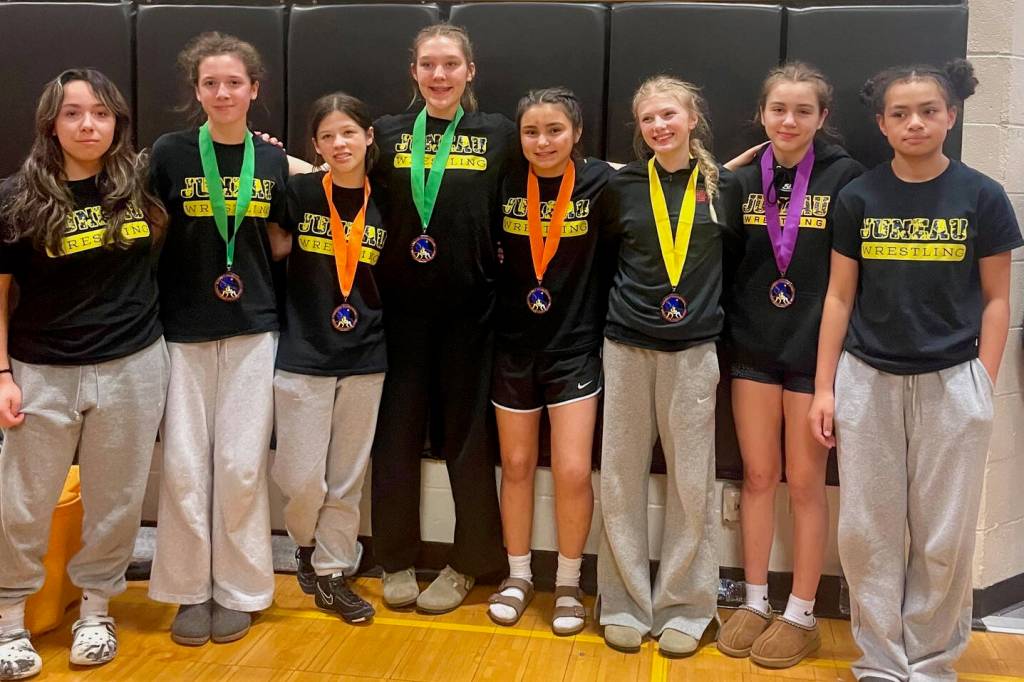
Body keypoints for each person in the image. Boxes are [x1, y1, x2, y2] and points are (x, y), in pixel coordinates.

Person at [809, 59, 1022, 681]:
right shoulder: (859, 196)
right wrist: (825, 388)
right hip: (866, 381)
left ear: (951, 116)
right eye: (900, 113)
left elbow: (998, 299)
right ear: (881, 123)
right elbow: (839, 298)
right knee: (867, 534)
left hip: (954, 382)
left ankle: (929, 663)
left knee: (944, 537)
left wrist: (983, 378)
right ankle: (880, 661)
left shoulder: (982, 196)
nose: (915, 123)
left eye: (929, 110)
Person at [0, 69, 168, 677]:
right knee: (23, 503)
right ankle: (9, 620)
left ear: (117, 121)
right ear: (52, 123)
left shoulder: (141, 185)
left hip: (133, 365)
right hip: (41, 369)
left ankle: (96, 611)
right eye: (73, 113)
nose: (88, 124)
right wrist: (2, 375)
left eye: (100, 112)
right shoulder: (15, 198)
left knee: (116, 503)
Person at [716, 62, 863, 669]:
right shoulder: (744, 176)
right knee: (756, 477)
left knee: (805, 484)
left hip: (811, 355)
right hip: (751, 348)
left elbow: (847, 284)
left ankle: (801, 610)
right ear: (762, 113)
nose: (790, 120)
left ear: (823, 118)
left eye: (804, 111)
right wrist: (724, 172)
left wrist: (828, 378)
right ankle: (753, 600)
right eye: (779, 109)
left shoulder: (845, 178)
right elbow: (689, 209)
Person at [147, 31, 290, 646]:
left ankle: (242, 589)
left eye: (235, 82)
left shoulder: (274, 159)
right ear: (197, 91)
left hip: (254, 327)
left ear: (254, 89)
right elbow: (146, 231)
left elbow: (282, 239)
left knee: (239, 466)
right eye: (211, 83)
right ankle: (187, 592)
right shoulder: (170, 153)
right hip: (181, 328)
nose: (223, 92)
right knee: (182, 467)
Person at [368, 23, 517, 614]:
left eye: (451, 64)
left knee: (468, 442)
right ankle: (396, 558)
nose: (439, 75)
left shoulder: (499, 134)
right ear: (414, 71)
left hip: (471, 313)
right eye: (428, 64)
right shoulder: (387, 133)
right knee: (396, 440)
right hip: (399, 313)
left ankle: (470, 562)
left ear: (470, 71)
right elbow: (340, 175)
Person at [596, 75, 739, 657]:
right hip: (626, 345)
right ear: (640, 127)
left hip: (695, 350)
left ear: (692, 118)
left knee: (691, 482)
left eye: (669, 116)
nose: (659, 126)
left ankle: (686, 604)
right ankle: (624, 602)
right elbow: (605, 258)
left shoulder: (726, 185)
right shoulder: (622, 184)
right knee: (620, 477)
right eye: (649, 119)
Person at [485, 87, 611, 635]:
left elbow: (668, 179)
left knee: (573, 470)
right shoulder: (505, 180)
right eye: (532, 131)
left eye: (555, 129)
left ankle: (567, 581)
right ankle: (517, 575)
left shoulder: (602, 182)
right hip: (512, 346)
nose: (543, 141)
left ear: (576, 133)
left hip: (574, 346)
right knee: (514, 466)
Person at [271, 92, 386, 625]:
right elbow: (271, 250)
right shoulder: (295, 193)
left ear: (368, 137)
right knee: (301, 477)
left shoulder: (389, 198)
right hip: (303, 351)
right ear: (314, 146)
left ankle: (334, 571)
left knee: (347, 476)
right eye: (327, 136)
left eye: (348, 133)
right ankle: (303, 541)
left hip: (366, 352)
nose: (339, 144)